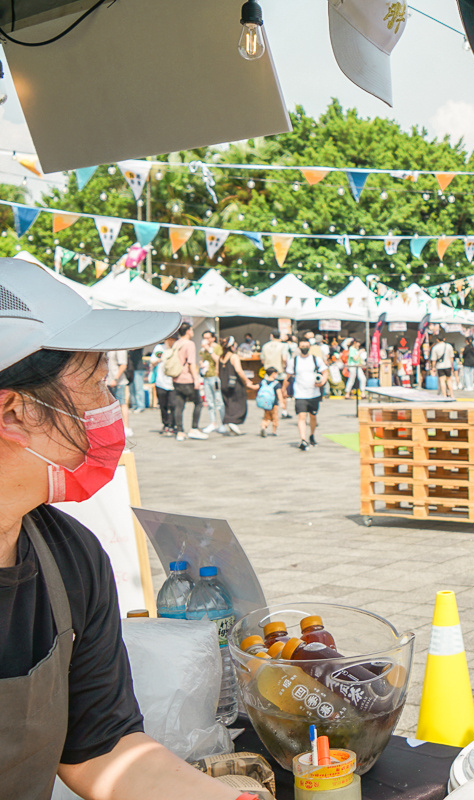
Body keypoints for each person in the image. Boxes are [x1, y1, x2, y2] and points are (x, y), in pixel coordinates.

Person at [0, 259, 241, 798]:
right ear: (13, 412)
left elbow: (103, 749)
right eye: (98, 385)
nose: (113, 410)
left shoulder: (71, 560)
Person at [288, 338, 329, 451]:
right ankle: (303, 439)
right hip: (300, 393)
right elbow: (288, 376)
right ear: (298, 347)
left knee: (313, 416)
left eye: (306, 346)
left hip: (313, 393)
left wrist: (322, 382)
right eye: (302, 346)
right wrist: (284, 390)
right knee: (301, 416)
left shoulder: (316, 360)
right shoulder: (294, 361)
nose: (304, 348)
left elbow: (325, 372)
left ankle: (311, 435)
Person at [169, 323, 207, 441]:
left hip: (176, 378)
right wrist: (196, 379)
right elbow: (191, 363)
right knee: (198, 402)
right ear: (188, 331)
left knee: (179, 405)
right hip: (187, 378)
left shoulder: (177, 343)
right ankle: (194, 428)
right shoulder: (189, 344)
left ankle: (179, 431)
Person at [219, 336, 256, 436]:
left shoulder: (221, 357)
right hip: (234, 384)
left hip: (223, 383)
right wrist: (247, 381)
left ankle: (229, 421)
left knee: (228, 403)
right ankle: (233, 421)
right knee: (239, 402)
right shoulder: (233, 357)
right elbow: (239, 370)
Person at [198, 330, 226, 435]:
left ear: (213, 338)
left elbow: (218, 360)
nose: (206, 340)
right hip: (206, 376)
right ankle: (213, 422)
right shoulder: (202, 349)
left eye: (208, 337)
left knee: (219, 401)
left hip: (215, 376)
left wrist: (209, 349)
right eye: (204, 337)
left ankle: (223, 423)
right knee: (209, 401)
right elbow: (201, 359)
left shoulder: (216, 347)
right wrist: (201, 363)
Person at [148, 336, 177, 435]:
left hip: (173, 382)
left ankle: (173, 424)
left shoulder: (176, 348)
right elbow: (153, 361)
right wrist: (159, 360)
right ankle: (166, 424)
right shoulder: (159, 348)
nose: (171, 342)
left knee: (173, 405)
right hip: (160, 381)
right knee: (163, 405)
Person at [105, 350, 132, 437]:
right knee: (110, 406)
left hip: (119, 381)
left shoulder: (121, 349)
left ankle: (126, 427)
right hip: (109, 380)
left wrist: (115, 379)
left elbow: (123, 365)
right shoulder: (110, 348)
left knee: (122, 403)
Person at [257, 367, 284, 437]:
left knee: (266, 417)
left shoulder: (263, 382)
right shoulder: (276, 383)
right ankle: (274, 431)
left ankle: (263, 427)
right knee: (275, 417)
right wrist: (282, 402)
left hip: (266, 403)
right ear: (273, 374)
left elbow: (256, 387)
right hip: (274, 404)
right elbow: (279, 393)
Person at [127, 347, 145, 412]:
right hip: (130, 369)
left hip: (138, 369)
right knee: (132, 389)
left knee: (138, 388)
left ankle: (140, 406)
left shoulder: (139, 345)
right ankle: (134, 405)